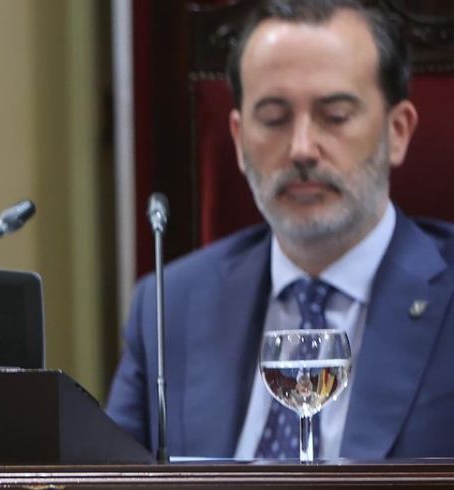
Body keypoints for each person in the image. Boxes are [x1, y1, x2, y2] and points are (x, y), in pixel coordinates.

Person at [106, 0, 454, 460]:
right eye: (273, 118)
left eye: (335, 116)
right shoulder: (170, 305)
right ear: (238, 139)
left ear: (399, 131)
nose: (302, 148)